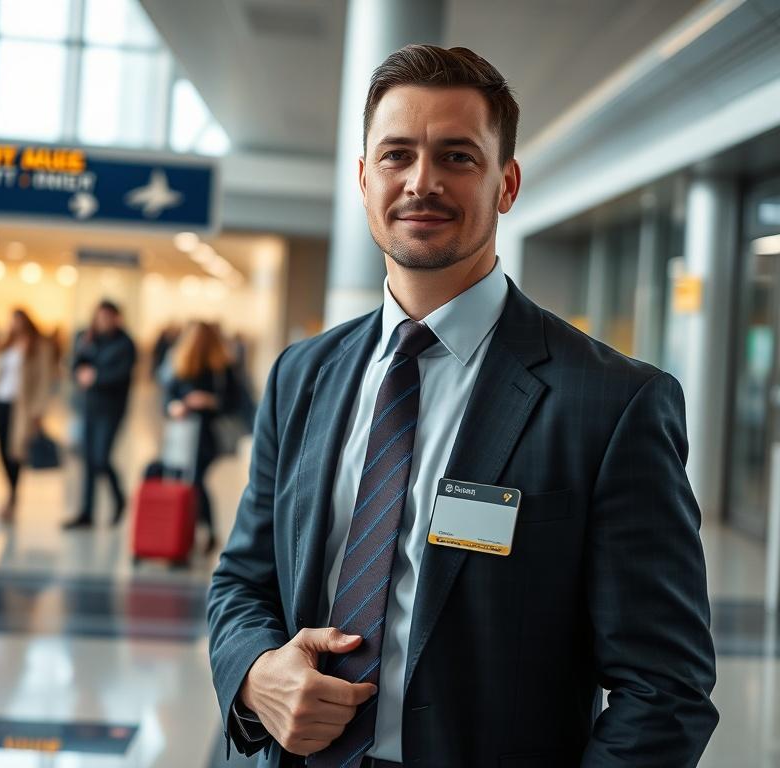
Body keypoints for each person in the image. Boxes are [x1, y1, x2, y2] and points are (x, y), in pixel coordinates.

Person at [207, 45, 717, 767]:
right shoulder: (304, 375)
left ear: (506, 184)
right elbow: (242, 581)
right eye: (396, 155)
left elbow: (665, 688)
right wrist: (257, 675)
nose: (422, 182)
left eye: (456, 156)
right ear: (362, 178)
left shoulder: (613, 404)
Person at [164, 321, 240, 554]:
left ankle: (205, 530)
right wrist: (176, 406)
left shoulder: (221, 369)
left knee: (196, 480)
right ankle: (191, 530)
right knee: (186, 482)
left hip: (207, 434)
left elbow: (234, 402)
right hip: (184, 434)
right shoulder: (181, 365)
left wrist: (209, 401)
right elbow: (168, 399)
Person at [0, 309, 53, 524]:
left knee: (15, 452)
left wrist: (38, 410)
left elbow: (44, 380)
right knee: (0, 450)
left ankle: (12, 496)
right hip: (0, 403)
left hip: (22, 409)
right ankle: (11, 491)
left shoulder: (38, 347)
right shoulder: (2, 346)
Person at [64, 301, 137, 530]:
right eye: (100, 317)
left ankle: (119, 497)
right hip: (89, 407)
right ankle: (86, 512)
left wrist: (96, 377)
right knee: (87, 459)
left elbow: (122, 374)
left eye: (108, 317)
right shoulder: (88, 339)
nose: (103, 321)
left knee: (101, 458)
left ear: (117, 318)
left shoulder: (125, 344)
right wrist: (82, 354)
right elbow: (75, 366)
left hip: (111, 409)